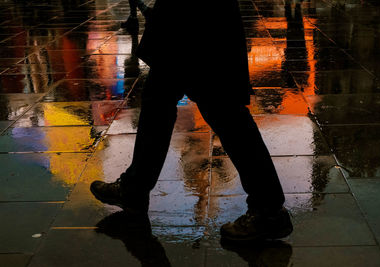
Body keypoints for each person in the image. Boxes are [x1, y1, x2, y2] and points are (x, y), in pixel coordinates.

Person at [90, 0, 293, 242]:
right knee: (163, 97)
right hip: (189, 15)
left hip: (195, 16)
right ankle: (134, 188)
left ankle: (268, 209)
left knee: (219, 106)